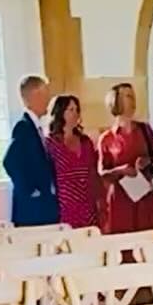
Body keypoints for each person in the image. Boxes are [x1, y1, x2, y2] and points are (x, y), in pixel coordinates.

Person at [97, 82, 153, 234]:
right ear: (116, 101)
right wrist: (121, 170)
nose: (133, 100)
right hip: (121, 199)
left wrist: (147, 161)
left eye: (133, 96)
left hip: (144, 196)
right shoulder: (107, 138)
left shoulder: (145, 129)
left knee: (149, 238)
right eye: (128, 96)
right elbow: (102, 172)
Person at [3, 74, 59, 227]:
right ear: (36, 96)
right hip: (32, 209)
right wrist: (31, 190)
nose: (48, 100)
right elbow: (10, 161)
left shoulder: (36, 127)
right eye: (45, 94)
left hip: (43, 206)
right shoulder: (24, 127)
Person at [45, 94, 100, 228]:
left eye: (77, 110)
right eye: (71, 110)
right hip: (65, 207)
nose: (75, 114)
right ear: (60, 112)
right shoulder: (51, 143)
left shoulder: (85, 141)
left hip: (88, 204)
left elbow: (93, 172)